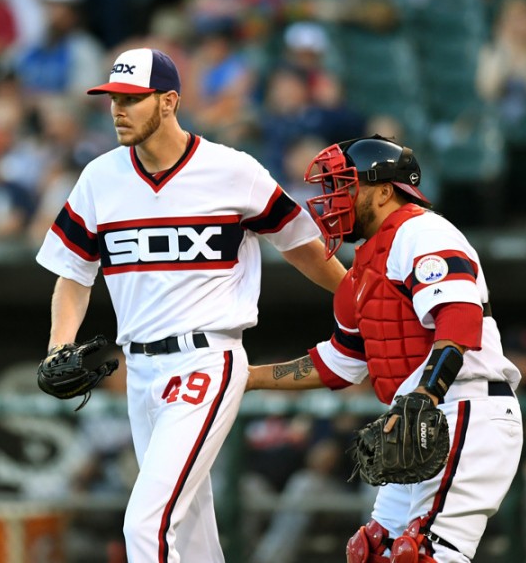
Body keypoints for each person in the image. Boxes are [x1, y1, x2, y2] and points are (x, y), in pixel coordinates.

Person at [35, 47, 346, 562]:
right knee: (194, 535)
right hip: (140, 368)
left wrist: (364, 298)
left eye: (132, 99)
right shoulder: (99, 178)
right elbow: (73, 274)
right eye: (113, 98)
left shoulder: (232, 170)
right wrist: (57, 346)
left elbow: (304, 249)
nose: (117, 109)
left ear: (169, 101)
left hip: (206, 357)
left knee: (146, 523)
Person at [244, 135, 523, 563]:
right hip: (420, 419)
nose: (332, 200)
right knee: (374, 552)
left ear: (384, 190)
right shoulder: (360, 270)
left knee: (423, 555)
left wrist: (425, 393)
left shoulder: (422, 230)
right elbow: (339, 364)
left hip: (468, 408)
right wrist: (247, 377)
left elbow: (460, 318)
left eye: (344, 185)